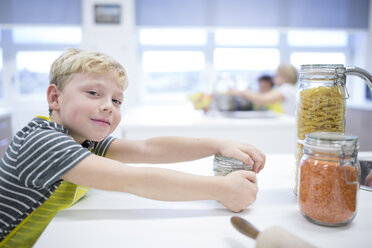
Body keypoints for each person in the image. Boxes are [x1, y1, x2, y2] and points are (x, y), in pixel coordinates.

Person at [0, 49, 265, 247]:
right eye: (93, 93)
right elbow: (131, 179)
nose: (108, 106)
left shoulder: (83, 140)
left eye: (116, 100)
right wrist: (220, 188)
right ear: (55, 98)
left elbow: (149, 149)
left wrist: (218, 144)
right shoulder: (44, 142)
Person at [230, 64, 298, 115]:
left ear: (284, 76)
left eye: (277, 75)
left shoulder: (287, 88)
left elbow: (262, 99)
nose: (274, 79)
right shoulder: (286, 89)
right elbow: (262, 96)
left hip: (288, 125)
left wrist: (242, 92)